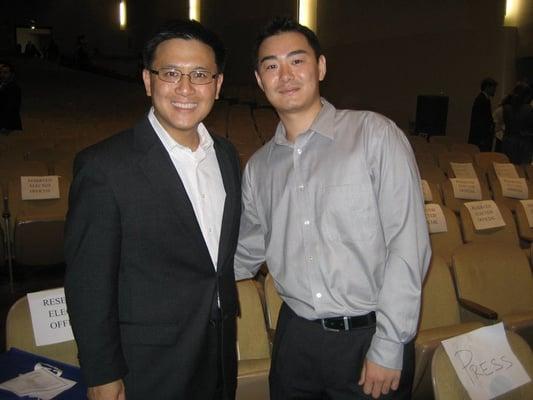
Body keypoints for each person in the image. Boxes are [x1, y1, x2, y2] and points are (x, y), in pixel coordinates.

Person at [234, 17, 431, 400]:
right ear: (260, 80)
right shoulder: (258, 167)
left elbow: (408, 245)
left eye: (297, 60)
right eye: (271, 66)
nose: (285, 75)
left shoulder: (374, 135)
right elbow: (249, 249)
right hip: (295, 342)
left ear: (320, 66)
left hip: (368, 339)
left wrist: (390, 343)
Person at [64, 19, 241, 400]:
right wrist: (102, 374)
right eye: (171, 73)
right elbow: (88, 283)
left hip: (219, 353)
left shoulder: (226, 156)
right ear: (148, 80)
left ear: (218, 84)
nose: (185, 88)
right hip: (147, 366)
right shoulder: (104, 166)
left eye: (199, 75)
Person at [502, 81, 533, 164]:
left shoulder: (506, 108)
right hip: (524, 143)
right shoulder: (529, 109)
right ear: (527, 96)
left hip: (508, 141)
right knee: (522, 170)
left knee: (509, 168)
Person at [468, 77, 497, 151]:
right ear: (487, 87)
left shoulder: (482, 99)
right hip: (481, 138)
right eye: (493, 88)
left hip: (481, 137)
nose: (494, 90)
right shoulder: (482, 100)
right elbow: (481, 121)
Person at [0, 61, 22, 134]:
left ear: (12, 74)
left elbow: (11, 107)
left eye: (5, 72)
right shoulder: (3, 84)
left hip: (8, 122)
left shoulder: (13, 88)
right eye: (1, 72)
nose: (2, 75)